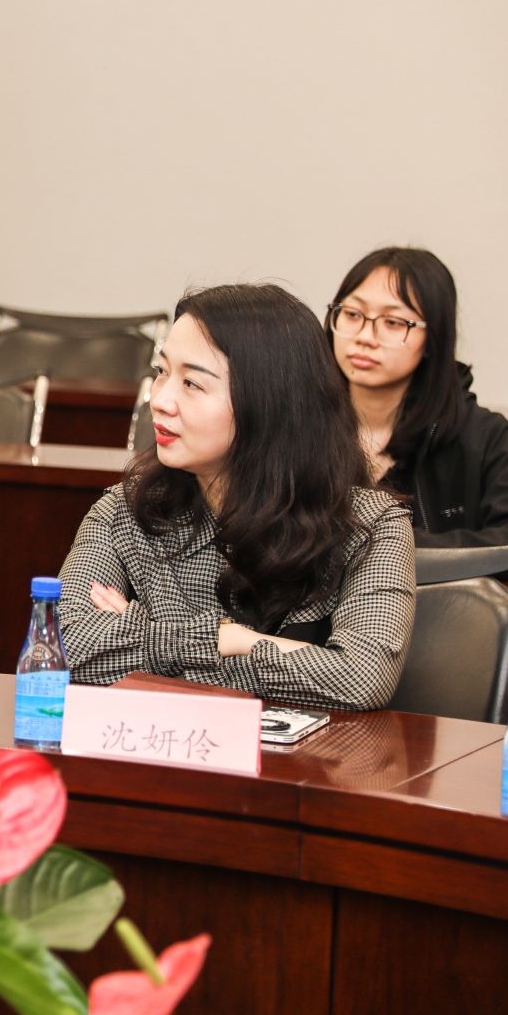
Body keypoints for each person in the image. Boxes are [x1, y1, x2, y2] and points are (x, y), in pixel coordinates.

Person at [58, 284, 415, 711]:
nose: (160, 399)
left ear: (268, 403)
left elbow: (361, 679)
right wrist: (221, 639)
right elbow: (63, 649)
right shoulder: (124, 510)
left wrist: (148, 639)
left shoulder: (371, 526)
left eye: (192, 383)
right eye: (162, 371)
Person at [327, 246, 508, 549]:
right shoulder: (303, 423)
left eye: (393, 322)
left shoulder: (480, 435)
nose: (365, 337)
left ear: (433, 338)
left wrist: (400, 549)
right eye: (353, 314)